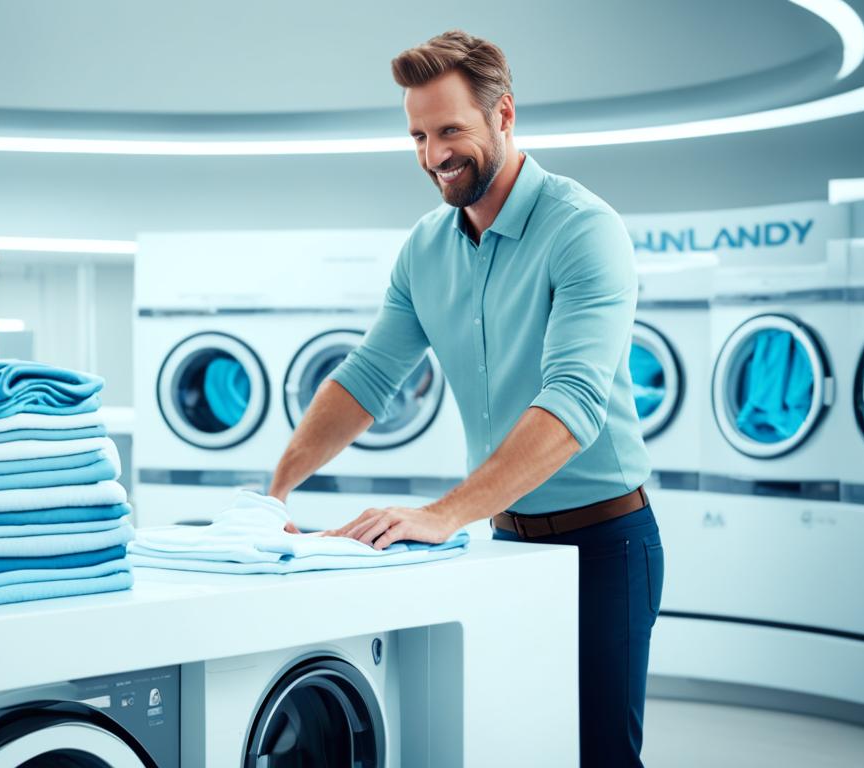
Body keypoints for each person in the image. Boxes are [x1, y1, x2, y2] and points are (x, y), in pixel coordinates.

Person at [268, 30, 663, 767]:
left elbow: (573, 403)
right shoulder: (425, 248)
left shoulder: (584, 231)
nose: (432, 155)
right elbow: (367, 377)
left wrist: (442, 514)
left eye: (450, 130)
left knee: (600, 756)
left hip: (606, 543)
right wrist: (275, 489)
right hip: (505, 538)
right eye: (418, 135)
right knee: (520, 744)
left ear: (503, 116)